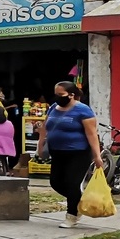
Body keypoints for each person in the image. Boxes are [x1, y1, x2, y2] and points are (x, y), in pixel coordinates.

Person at [37, 81, 104, 229]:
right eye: (56, 94)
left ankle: (72, 215)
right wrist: (40, 145)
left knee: (72, 183)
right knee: (55, 182)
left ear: (71, 95)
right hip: (57, 151)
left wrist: (97, 156)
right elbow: (45, 128)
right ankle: (80, 201)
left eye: (61, 94)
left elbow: (92, 134)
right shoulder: (53, 108)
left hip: (78, 153)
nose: (57, 97)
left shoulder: (83, 110)